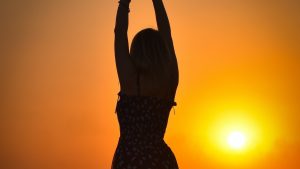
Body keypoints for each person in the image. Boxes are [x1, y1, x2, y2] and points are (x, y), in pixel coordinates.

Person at [112, 0, 179, 168]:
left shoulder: (131, 81)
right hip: (162, 160)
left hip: (129, 160)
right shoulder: (170, 79)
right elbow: (167, 34)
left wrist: (124, 2)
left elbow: (120, 33)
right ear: (162, 51)